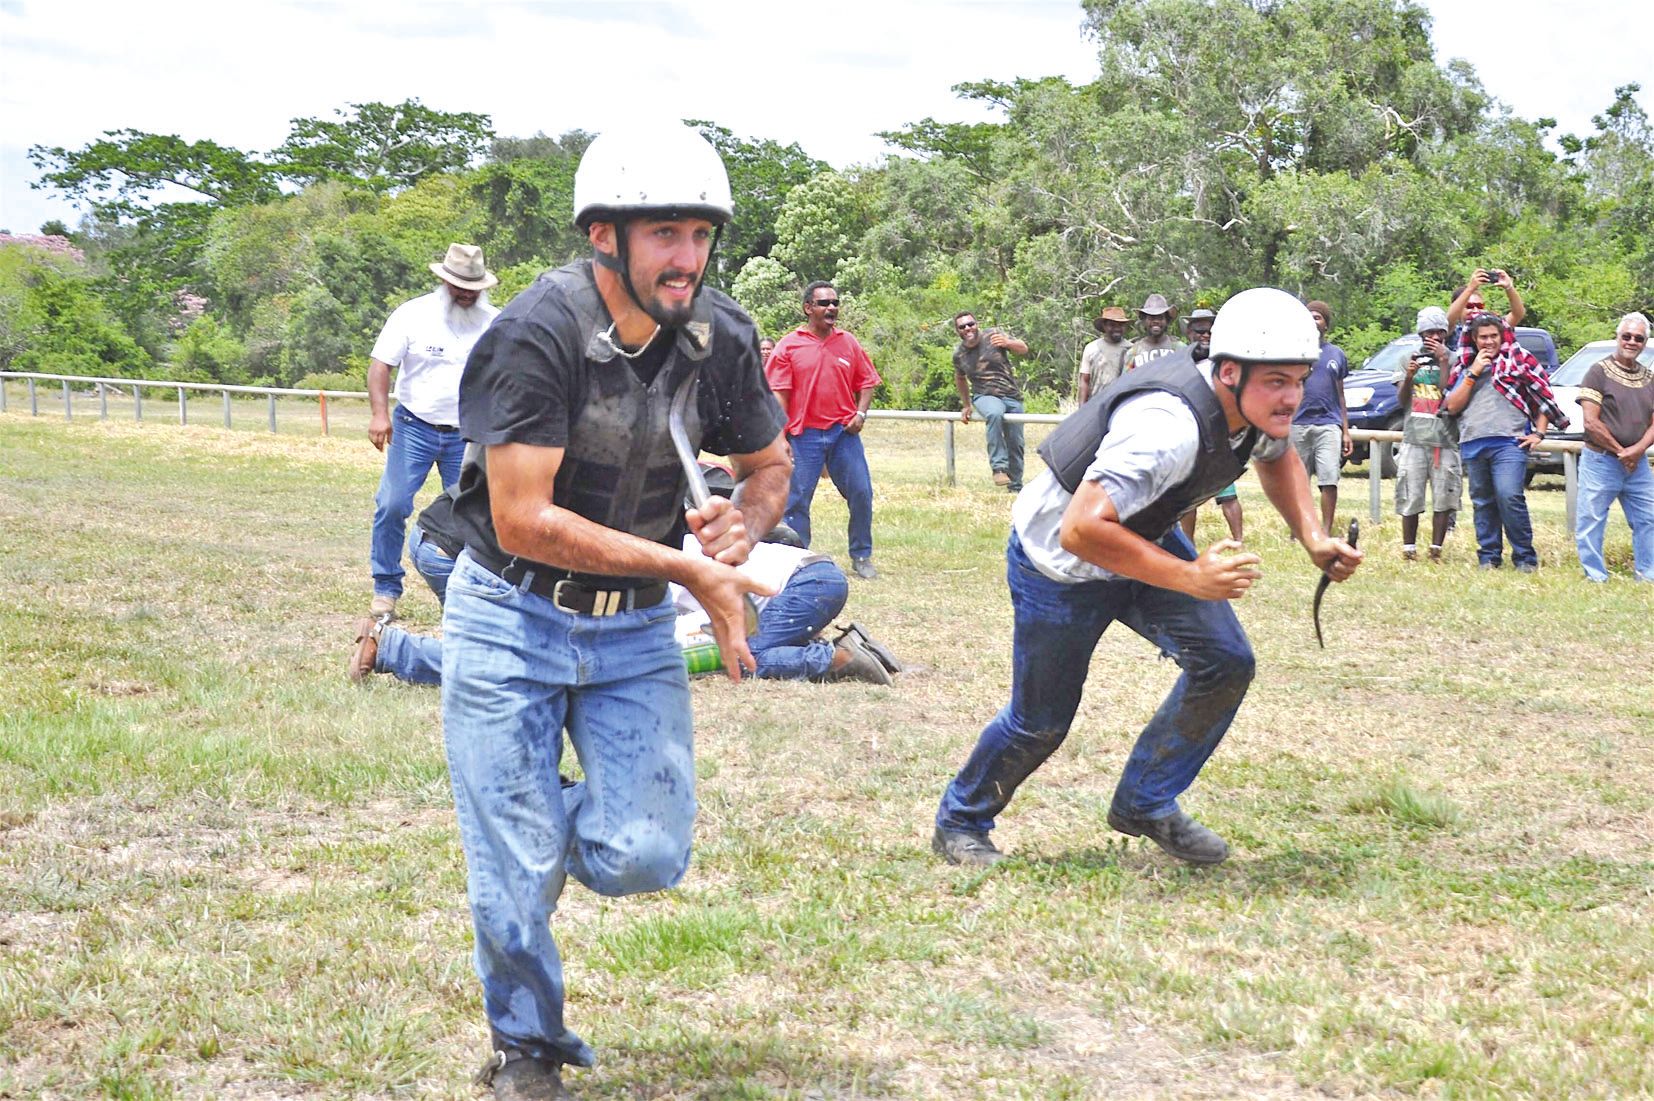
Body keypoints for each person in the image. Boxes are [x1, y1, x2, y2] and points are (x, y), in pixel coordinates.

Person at [439, 122, 791, 1099]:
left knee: (642, 855)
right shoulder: (534, 332)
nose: (687, 260)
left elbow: (768, 466)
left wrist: (742, 530)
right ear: (605, 236)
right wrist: (691, 575)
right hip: (510, 617)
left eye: (700, 236)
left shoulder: (720, 336)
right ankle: (526, 1048)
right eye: (665, 235)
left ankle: (519, 824)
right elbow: (519, 519)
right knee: (510, 876)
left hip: (632, 627)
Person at [931, 288, 1362, 869]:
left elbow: (1275, 451)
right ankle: (960, 822)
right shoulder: (1166, 427)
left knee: (1226, 661)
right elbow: (1081, 530)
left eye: (1300, 379)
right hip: (1061, 565)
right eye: (1277, 382)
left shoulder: (1248, 402)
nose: (1293, 398)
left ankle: (1145, 801)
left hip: (1143, 539)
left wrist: (1312, 534)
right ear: (1229, 372)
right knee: (1040, 722)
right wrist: (1189, 576)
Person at [365, 243, 499, 619]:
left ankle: (467, 589)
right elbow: (380, 366)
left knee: (471, 514)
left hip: (468, 436)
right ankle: (386, 587)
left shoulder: (495, 322)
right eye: (459, 285)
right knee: (392, 505)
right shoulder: (412, 315)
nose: (466, 293)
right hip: (415, 426)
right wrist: (379, 415)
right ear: (444, 282)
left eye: (473, 287)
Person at [766, 281, 883, 579]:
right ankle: (797, 560)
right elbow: (779, 392)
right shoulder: (789, 345)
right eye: (823, 303)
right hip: (804, 436)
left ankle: (861, 555)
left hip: (843, 433)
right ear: (808, 308)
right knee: (796, 501)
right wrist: (781, 436)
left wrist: (861, 413)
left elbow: (867, 381)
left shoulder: (848, 342)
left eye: (834, 302)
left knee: (861, 492)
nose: (831, 308)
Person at [670, 534, 896, 683]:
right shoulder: (683, 544)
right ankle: (857, 645)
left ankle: (840, 658)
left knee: (746, 658)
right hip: (817, 575)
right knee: (758, 642)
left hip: (809, 583)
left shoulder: (666, 572)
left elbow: (686, 631)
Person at [1441, 312, 1566, 571]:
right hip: (1473, 441)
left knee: (1509, 496)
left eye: (1493, 336)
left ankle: (1525, 558)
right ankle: (1489, 557)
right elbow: (1451, 406)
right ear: (1474, 340)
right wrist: (1474, 371)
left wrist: (1539, 433)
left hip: (1509, 441)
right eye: (1483, 337)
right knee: (1483, 501)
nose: (1489, 342)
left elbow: (1543, 396)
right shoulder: (1464, 366)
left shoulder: (1519, 360)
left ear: (1502, 336)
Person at [1573, 313, 1654, 582]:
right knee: (1591, 520)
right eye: (1627, 336)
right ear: (1617, 337)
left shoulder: (1649, 377)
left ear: (1645, 342)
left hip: (1637, 464)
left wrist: (1637, 450)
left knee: (1648, 519)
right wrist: (1622, 451)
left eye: (1638, 338)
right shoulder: (1597, 372)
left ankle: (1647, 574)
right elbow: (1590, 422)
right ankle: (1595, 576)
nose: (1632, 341)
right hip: (1602, 459)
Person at [1393, 307, 1461, 562]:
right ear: (1421, 333)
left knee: (1444, 497)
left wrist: (1444, 361)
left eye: (1439, 332)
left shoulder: (1455, 360)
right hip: (1414, 436)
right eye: (1428, 332)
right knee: (1411, 495)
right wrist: (1409, 377)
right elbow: (1401, 401)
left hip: (1444, 438)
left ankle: (1436, 549)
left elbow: (1448, 393)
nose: (1434, 337)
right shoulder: (1406, 358)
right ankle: (1409, 548)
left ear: (1445, 333)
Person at [1177, 308, 1242, 542]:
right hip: (1189, 432)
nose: (1205, 335)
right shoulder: (1181, 360)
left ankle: (1238, 541)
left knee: (1227, 492)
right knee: (1185, 495)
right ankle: (1188, 542)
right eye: (1199, 331)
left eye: (1209, 331)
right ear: (1189, 333)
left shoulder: (1226, 360)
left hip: (1220, 435)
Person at [1289, 300, 1352, 533]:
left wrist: (1345, 431)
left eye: (1317, 317)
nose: (1313, 322)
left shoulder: (1336, 354)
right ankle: (1300, 528)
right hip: (1298, 424)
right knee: (1298, 482)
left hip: (1329, 424)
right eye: (1309, 317)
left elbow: (1341, 395)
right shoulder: (1293, 351)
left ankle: (1325, 529)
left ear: (1326, 325)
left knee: (1329, 479)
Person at [953, 311, 1031, 491]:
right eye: (962, 327)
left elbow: (1024, 349)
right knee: (995, 413)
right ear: (957, 331)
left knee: (1016, 442)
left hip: (1011, 395)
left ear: (976, 323)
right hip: (985, 395)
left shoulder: (993, 335)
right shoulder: (959, 354)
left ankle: (1015, 486)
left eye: (970, 324)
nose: (967, 329)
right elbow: (960, 378)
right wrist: (966, 405)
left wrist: (1008, 343)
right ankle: (998, 468)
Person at [1447, 268, 1525, 350]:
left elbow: (1517, 314)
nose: (1475, 310)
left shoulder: (1494, 326)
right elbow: (1449, 320)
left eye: (1480, 306)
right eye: (1469, 306)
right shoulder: (1454, 332)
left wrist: (1509, 287)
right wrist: (1471, 288)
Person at [1077, 305, 1132, 404]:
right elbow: (1084, 380)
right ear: (1104, 326)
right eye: (1112, 325)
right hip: (1095, 404)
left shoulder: (1132, 350)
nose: (1117, 328)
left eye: (1120, 325)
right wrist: (1081, 409)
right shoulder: (1092, 348)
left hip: (1121, 405)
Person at [1126, 293, 1183, 371]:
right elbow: (1126, 380)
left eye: (1160, 317)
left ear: (1167, 320)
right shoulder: (1134, 352)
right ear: (1143, 321)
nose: (1156, 321)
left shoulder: (1179, 348)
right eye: (1151, 318)